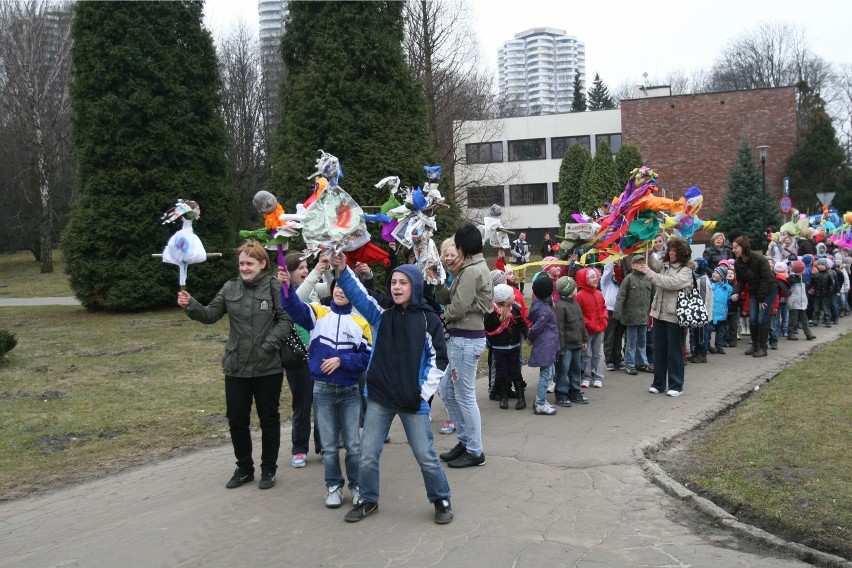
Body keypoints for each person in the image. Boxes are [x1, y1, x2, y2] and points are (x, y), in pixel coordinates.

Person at [331, 254, 454, 524]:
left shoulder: (428, 320)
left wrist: (421, 393)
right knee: (367, 454)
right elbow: (359, 294)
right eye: (394, 282)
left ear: (416, 287)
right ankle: (368, 499)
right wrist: (341, 269)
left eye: (403, 283)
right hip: (380, 397)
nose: (396, 287)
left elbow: (439, 360)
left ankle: (441, 498)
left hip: (414, 401)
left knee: (425, 456)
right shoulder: (382, 314)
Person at [178, 240, 291, 489]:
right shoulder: (230, 288)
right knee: (237, 420)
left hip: (267, 367)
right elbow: (210, 315)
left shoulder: (273, 286)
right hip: (236, 366)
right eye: (241, 263)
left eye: (249, 263)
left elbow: (286, 320)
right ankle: (244, 468)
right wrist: (191, 305)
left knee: (268, 419)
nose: (244, 268)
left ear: (262, 264)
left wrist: (267, 345)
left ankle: (268, 469)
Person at [278, 270, 372, 509]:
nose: (340, 290)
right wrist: (287, 286)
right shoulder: (319, 313)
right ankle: (333, 487)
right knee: (329, 448)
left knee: (353, 446)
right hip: (322, 391)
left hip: (350, 391)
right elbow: (292, 306)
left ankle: (357, 486)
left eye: (345, 287)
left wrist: (342, 361)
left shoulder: (361, 322)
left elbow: (365, 358)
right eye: (336, 286)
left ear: (354, 293)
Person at [434, 223, 492, 469]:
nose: (454, 249)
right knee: (447, 389)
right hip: (462, 338)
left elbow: (455, 309)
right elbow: (454, 300)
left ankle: (475, 450)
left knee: (465, 395)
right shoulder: (469, 269)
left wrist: (444, 313)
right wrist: (437, 282)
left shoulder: (472, 271)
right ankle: (465, 440)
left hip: (466, 339)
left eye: (457, 244)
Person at [632, 236, 693, 396]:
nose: (671, 253)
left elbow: (670, 283)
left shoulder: (686, 270)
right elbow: (652, 263)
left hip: (674, 316)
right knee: (658, 350)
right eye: (670, 249)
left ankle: (676, 385)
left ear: (681, 252)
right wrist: (644, 243)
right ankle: (658, 383)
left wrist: (649, 273)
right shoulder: (664, 266)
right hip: (659, 314)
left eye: (675, 250)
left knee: (674, 351)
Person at [281, 252, 321, 468]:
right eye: (300, 268)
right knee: (302, 403)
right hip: (298, 358)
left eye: (307, 267)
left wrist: (328, 266)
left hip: (318, 355)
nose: (305, 271)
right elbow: (296, 301)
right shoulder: (286, 292)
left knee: (322, 403)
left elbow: (330, 289)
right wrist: (316, 273)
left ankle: (324, 445)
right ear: (287, 271)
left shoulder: (313, 288)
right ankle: (299, 448)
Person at [731, 235, 778, 358]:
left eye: (736, 247)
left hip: (768, 291)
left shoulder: (759, 259)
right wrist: (736, 292)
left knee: (762, 319)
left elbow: (766, 279)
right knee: (753, 319)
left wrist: (761, 298)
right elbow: (741, 281)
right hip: (754, 291)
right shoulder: (738, 263)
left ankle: (763, 347)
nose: (733, 250)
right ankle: (755, 345)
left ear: (743, 247)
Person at [484, 284, 528, 409]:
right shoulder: (492, 313)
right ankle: (503, 397)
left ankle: (521, 398)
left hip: (514, 346)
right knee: (501, 372)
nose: (514, 296)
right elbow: (488, 329)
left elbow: (521, 325)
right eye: (511, 295)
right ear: (504, 299)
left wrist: (527, 335)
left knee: (515, 371)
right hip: (499, 348)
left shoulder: (515, 309)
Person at [613, 255, 653, 375]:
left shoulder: (648, 278)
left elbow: (654, 297)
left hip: (644, 316)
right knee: (631, 341)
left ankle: (642, 363)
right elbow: (621, 297)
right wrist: (617, 313)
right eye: (638, 262)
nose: (641, 264)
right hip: (631, 316)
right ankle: (629, 364)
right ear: (633, 265)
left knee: (642, 341)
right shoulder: (628, 279)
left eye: (643, 262)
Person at [553, 276, 589, 406]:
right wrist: (561, 348)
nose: (576, 289)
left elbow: (581, 323)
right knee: (564, 369)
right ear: (568, 290)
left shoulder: (576, 304)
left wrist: (584, 338)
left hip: (577, 344)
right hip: (566, 346)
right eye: (574, 287)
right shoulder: (560, 307)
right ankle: (561, 393)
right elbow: (559, 329)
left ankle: (575, 391)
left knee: (576, 368)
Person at [527, 273, 559, 415]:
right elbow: (536, 328)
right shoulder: (545, 310)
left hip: (549, 344)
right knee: (546, 374)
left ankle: (542, 399)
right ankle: (540, 402)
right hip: (546, 345)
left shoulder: (541, 303)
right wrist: (529, 337)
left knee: (550, 371)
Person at [575, 267, 607, 388]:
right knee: (586, 354)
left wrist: (604, 319)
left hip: (598, 329)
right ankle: (587, 376)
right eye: (592, 277)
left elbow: (603, 308)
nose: (596, 279)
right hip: (587, 331)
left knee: (597, 353)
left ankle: (598, 376)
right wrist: (588, 323)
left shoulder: (598, 293)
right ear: (585, 279)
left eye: (596, 276)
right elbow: (579, 314)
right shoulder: (580, 296)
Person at [687, 258, 713, 364]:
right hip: (698, 312)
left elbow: (702, 299)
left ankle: (702, 353)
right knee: (696, 333)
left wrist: (698, 312)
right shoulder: (697, 278)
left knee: (701, 334)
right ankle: (696, 352)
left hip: (701, 313)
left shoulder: (702, 281)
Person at [786, 259, 815, 340]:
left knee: (804, 319)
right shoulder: (791, 279)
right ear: (799, 270)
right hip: (794, 303)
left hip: (802, 302)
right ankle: (790, 333)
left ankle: (808, 334)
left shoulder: (802, 278)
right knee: (793, 319)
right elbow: (788, 290)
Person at [708, 266, 733, 353]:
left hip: (722, 313)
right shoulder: (710, 285)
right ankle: (707, 345)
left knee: (721, 331)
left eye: (717, 272)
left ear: (722, 276)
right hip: (711, 312)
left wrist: (732, 299)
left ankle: (719, 345)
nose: (714, 273)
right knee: (708, 330)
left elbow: (729, 299)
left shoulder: (728, 288)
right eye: (714, 271)